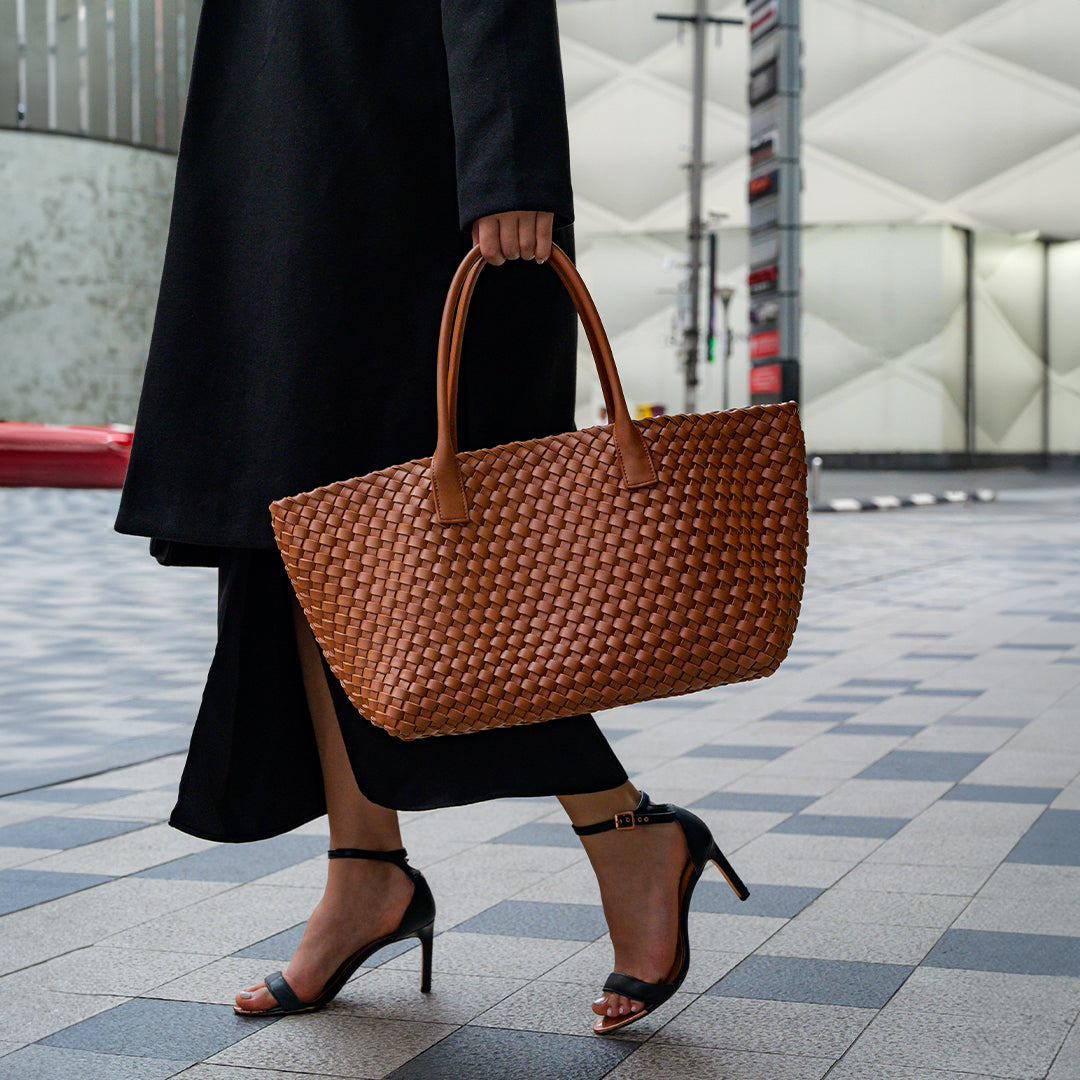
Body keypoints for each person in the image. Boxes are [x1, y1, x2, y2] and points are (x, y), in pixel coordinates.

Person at [115, 2, 745, 1035]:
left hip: (403, 160)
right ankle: (366, 872)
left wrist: (510, 162)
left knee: (429, 558)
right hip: (275, 141)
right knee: (293, 531)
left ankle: (624, 828)